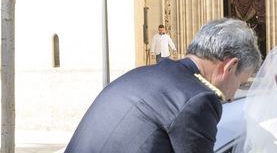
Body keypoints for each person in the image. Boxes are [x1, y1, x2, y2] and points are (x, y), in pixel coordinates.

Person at [65, 18, 261, 153]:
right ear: (230, 66)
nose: (232, 97)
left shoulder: (142, 74)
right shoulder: (198, 99)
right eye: (240, 83)